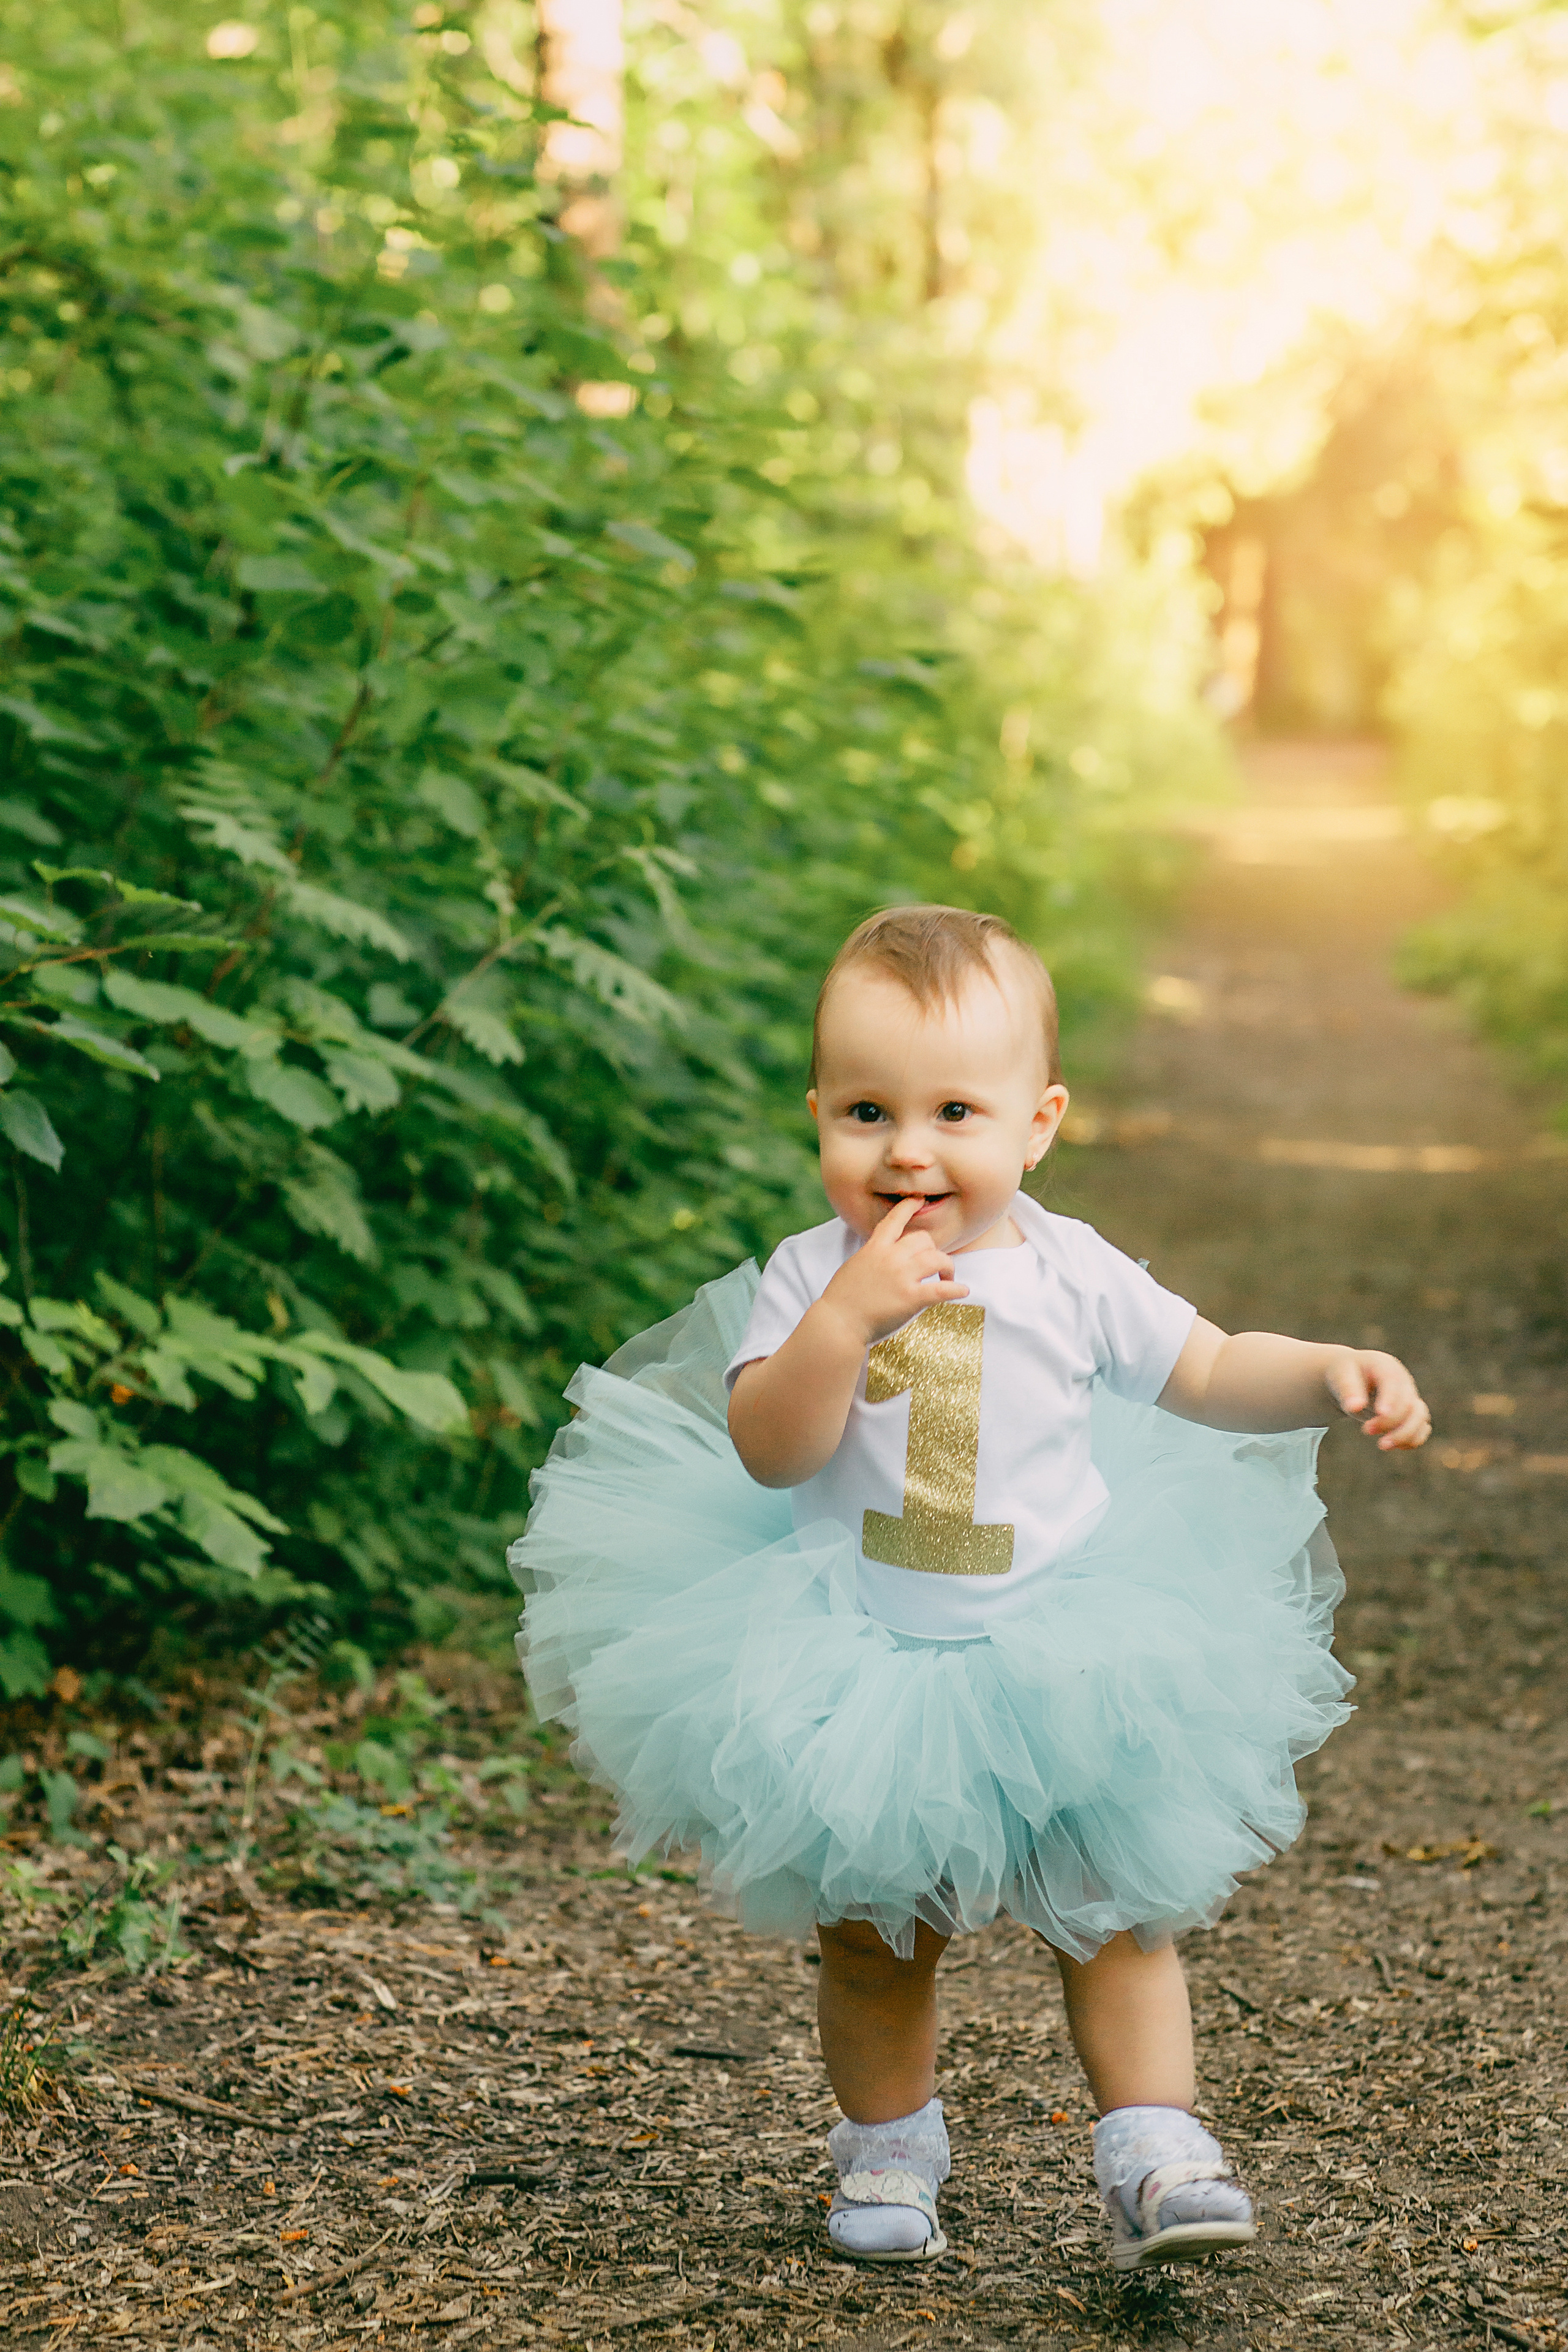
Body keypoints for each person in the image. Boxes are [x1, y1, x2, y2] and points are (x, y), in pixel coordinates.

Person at [509, 905, 1431, 2273]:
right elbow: (773, 1449)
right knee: (879, 1937)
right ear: (817, 1113)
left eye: (953, 1110)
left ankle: (1154, 2151)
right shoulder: (807, 1277)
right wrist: (842, 1323)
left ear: (1036, 1123)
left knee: (1116, 1914)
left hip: (1060, 1646)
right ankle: (886, 2151)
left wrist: (1325, 1370)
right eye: (866, 1112)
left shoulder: (1069, 1270)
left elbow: (1210, 1363)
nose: (907, 1151)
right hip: (859, 1656)